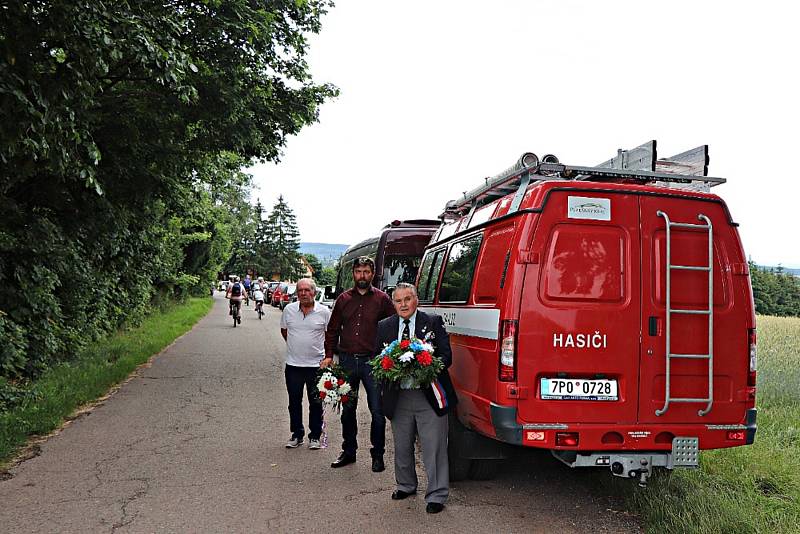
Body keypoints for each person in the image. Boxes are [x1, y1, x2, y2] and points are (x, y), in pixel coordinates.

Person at [376, 282, 457, 514]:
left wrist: (426, 363)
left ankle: (437, 494)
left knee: (434, 446)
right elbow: (376, 359)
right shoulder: (384, 326)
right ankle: (406, 485)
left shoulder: (432, 322)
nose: (403, 304)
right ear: (393, 303)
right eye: (398, 301)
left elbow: (446, 357)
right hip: (398, 396)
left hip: (429, 395)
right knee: (402, 445)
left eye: (407, 299)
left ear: (416, 300)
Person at [323, 256, 395, 472]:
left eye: (366, 271)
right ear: (353, 273)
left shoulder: (382, 300)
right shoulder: (343, 299)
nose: (362, 276)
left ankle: (377, 455)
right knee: (347, 410)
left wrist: (388, 355)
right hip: (346, 361)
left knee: (377, 411)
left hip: (372, 362)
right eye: (358, 271)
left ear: (372, 274)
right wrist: (328, 355)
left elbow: (393, 327)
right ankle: (349, 451)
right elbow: (333, 330)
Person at [281, 278, 331, 449]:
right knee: (294, 401)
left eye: (307, 290)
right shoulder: (288, 310)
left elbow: (329, 337)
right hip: (293, 365)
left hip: (316, 366)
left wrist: (326, 357)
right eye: (300, 290)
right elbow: (284, 331)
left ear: (314, 293)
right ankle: (297, 434)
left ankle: (315, 436)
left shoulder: (324, 312)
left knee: (315, 402)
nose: (303, 293)